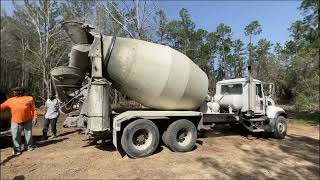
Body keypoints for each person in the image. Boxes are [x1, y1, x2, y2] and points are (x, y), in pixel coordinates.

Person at [0, 87, 37, 155]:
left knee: (28, 134)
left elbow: (34, 109)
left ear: (20, 91)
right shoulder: (10, 100)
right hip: (15, 121)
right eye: (14, 91)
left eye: (15, 91)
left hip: (27, 120)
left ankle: (29, 147)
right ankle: (17, 149)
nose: (14, 92)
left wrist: (35, 117)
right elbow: (1, 106)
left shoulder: (29, 98)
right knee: (15, 136)